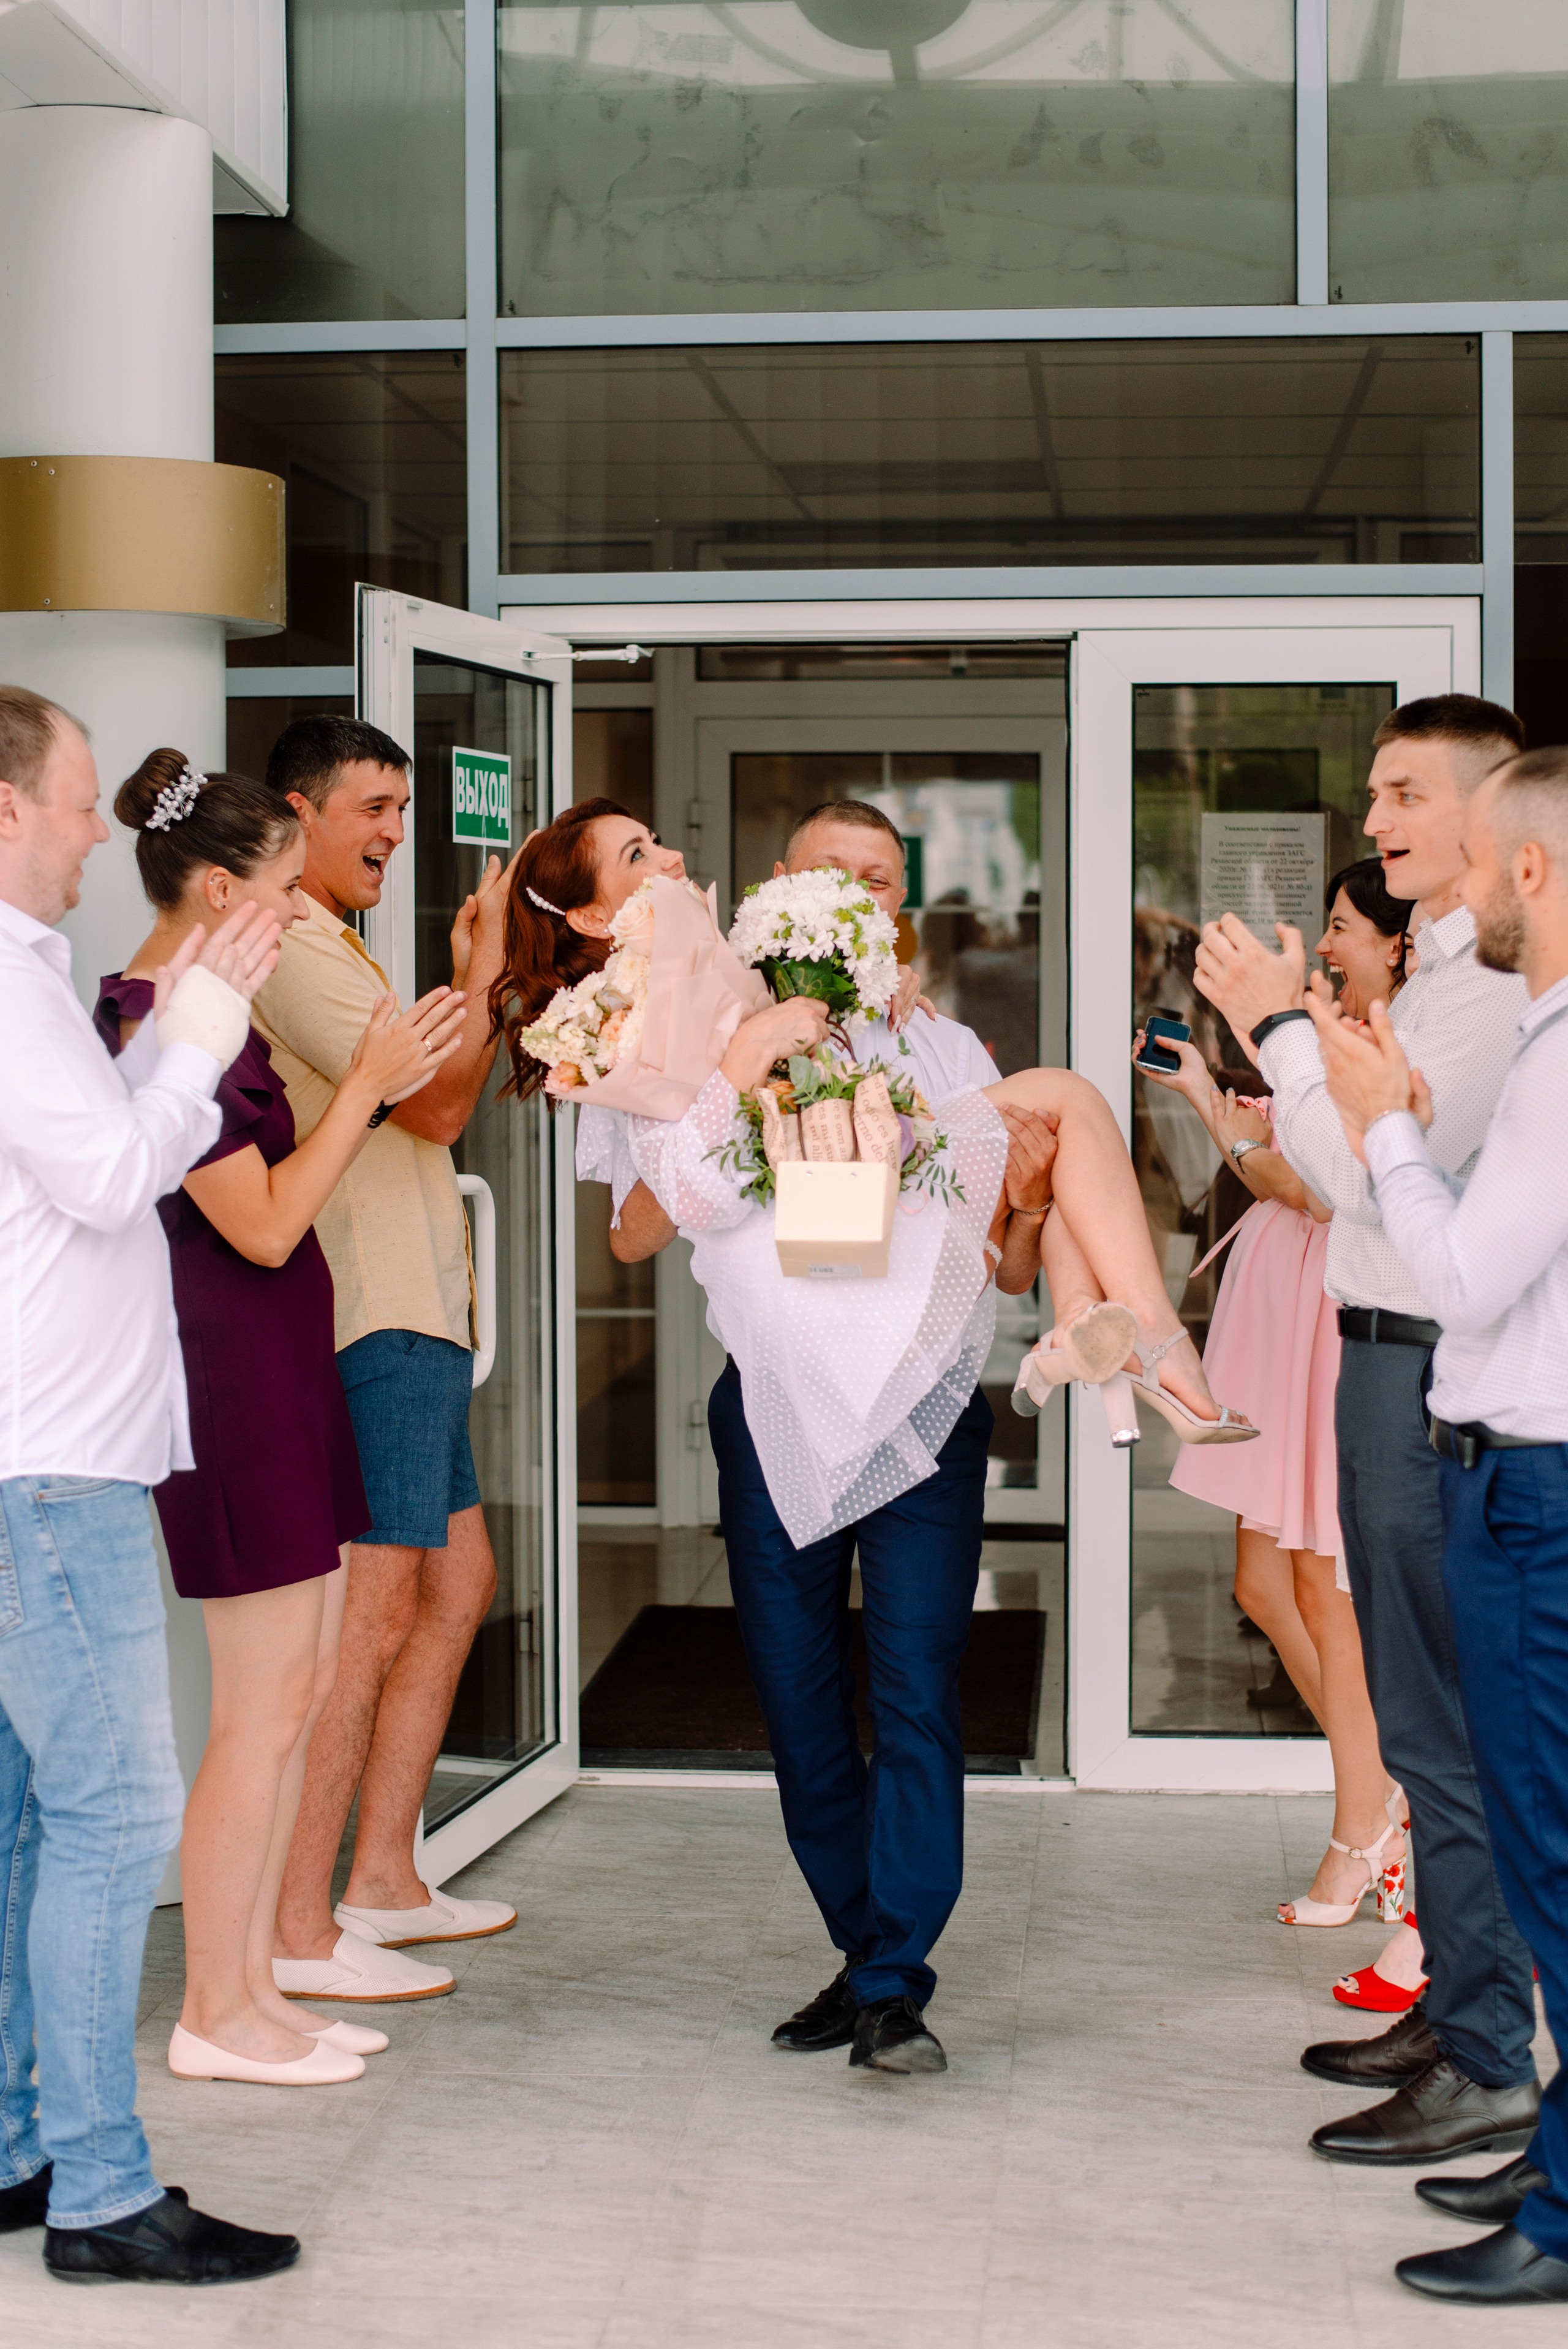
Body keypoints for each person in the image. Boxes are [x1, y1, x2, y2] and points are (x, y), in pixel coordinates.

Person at [491, 796, 1248, 2075]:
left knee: (916, 1695)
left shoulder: (943, 1046)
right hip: (774, 1398)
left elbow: (997, 1261)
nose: (861, 897)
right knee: (794, 1706)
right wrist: (747, 1072)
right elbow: (634, 1230)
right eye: (833, 874)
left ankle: (893, 1979)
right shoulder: (668, 1028)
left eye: (882, 881)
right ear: (776, 887)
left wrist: (1013, 1210)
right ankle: (863, 1948)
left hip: (924, 1398)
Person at [1193, 694, 1541, 2171]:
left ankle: (1480, 2047)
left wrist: (1277, 1029)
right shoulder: (1446, 974)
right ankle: (1459, 2011)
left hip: (1419, 1363)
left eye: (1403, 793)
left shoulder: (1478, 997)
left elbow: (1365, 1179)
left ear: (1489, 813)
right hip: (1386, 1357)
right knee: (1420, 1716)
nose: (1377, 819)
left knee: (1445, 1730)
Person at [96, 750, 468, 2087]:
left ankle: (256, 1987)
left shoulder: (205, 1012)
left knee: (298, 1688)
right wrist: (367, 1082)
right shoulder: (151, 1022)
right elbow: (257, 1228)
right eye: (278, 906)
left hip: (277, 1368)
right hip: (227, 1381)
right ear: (214, 892)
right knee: (260, 1712)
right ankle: (216, 2011)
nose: (299, 925)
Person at [0, 686, 302, 2285]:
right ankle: (102, 2197)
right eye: (66, 801)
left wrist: (179, 1037)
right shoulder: (6, 983)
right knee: (114, 1820)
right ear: (4, 811)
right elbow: (123, 1177)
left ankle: (17, 2148)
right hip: (45, 1477)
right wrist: (197, 1036)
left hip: (39, 1464)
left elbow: (88, 1159)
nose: (86, 830)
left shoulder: (36, 985)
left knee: (28, 1822)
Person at [1307, 744, 1568, 2307]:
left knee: (1544, 1849)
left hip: (1535, 1481)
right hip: (1512, 1463)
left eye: (1472, 859)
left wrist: (1384, 1120)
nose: (1450, 892)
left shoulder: (1549, 1052)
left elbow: (1465, 1277)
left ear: (1528, 870)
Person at [254, 716, 519, 2005]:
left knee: (455, 1583)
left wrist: (471, 985)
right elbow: (435, 1104)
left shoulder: (343, 941)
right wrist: (482, 975)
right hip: (366, 1317)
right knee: (370, 1615)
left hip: (418, 1311)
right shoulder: (295, 944)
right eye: (370, 806)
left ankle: (384, 1884)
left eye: (402, 808)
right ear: (296, 811)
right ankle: (300, 1929)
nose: (392, 832)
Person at [1134, 859, 1414, 1931]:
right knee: (1266, 1582)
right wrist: (1210, 1096)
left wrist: (1245, 1122)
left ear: (1393, 942)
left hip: (1326, 1312)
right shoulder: (1324, 1029)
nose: (1327, 942)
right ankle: (1387, 1794)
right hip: (1277, 1302)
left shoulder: (1391, 1043)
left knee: (1320, 1588)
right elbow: (1274, 1170)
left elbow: (1313, 1185)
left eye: (1342, 926)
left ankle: (1366, 1827)